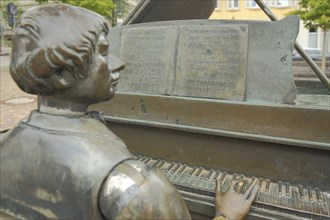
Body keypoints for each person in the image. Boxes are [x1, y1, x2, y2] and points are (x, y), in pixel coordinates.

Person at [0, 4, 259, 219]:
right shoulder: (133, 187)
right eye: (103, 53)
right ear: (63, 74)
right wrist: (227, 215)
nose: (119, 63)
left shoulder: (4, 144)